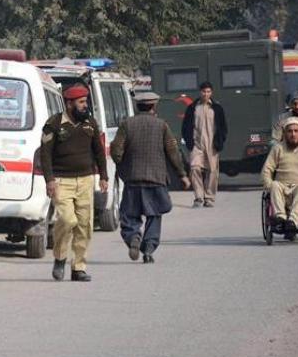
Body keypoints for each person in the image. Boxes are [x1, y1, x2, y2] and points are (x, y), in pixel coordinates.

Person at [110, 92, 191, 263]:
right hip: (156, 179)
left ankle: (133, 237)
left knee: (129, 215)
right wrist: (182, 175)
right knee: (154, 215)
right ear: (154, 106)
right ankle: (148, 249)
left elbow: (116, 151)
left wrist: (123, 166)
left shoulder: (127, 124)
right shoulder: (162, 126)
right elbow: (173, 152)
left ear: (137, 107)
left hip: (133, 179)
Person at [40, 84, 108, 282]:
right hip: (62, 181)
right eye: (81, 102)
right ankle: (60, 258)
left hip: (86, 180)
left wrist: (103, 176)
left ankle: (78, 267)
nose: (84, 105)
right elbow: (45, 154)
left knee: (84, 225)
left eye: (85, 101)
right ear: (69, 104)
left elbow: (99, 151)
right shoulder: (54, 123)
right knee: (68, 220)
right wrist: (50, 180)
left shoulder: (90, 124)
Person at [181, 81, 227, 208]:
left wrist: (220, 141)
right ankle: (199, 197)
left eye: (208, 92)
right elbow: (185, 126)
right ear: (200, 92)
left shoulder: (217, 108)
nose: (206, 94)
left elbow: (223, 127)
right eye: (203, 91)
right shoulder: (193, 108)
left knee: (212, 171)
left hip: (212, 145)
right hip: (197, 145)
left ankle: (209, 198)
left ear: (211, 93)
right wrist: (189, 142)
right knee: (195, 168)